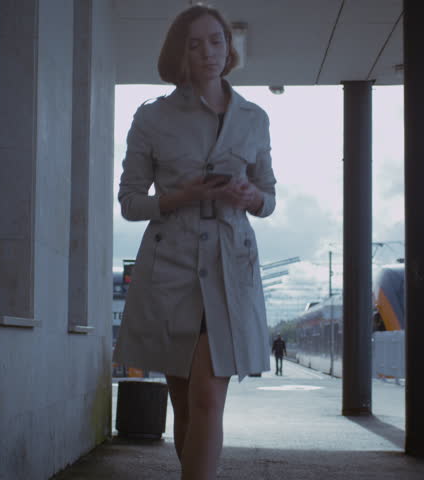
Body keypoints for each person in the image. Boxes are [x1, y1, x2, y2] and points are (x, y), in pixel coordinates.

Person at [111, 4, 276, 479]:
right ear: (179, 53)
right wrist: (179, 196)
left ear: (229, 49)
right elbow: (128, 201)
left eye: (217, 41)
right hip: (172, 267)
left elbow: (270, 198)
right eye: (196, 43)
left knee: (207, 397)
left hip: (230, 267)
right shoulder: (152, 118)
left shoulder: (253, 117)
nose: (209, 52)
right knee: (184, 401)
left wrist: (250, 196)